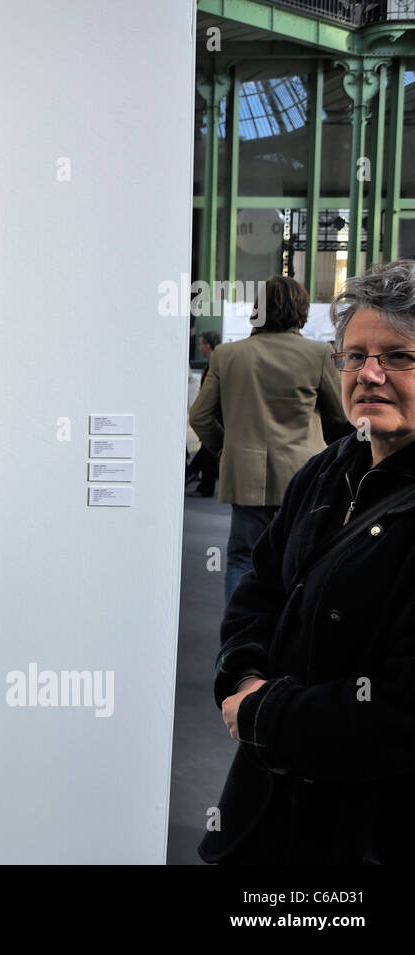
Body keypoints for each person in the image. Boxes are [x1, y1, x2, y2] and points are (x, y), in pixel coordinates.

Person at [199, 259, 415, 864]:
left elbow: (402, 710)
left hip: (371, 833)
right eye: (354, 355)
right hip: (267, 814)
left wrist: (267, 713)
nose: (369, 374)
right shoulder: (328, 469)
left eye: (397, 356)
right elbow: (261, 594)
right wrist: (243, 677)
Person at [188, 275, 349, 602]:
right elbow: (340, 415)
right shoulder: (319, 353)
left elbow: (200, 417)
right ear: (302, 310)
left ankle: (237, 642)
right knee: (300, 559)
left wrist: (225, 450)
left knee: (241, 559)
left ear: (258, 308)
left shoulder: (226, 355)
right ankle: (289, 641)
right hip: (303, 476)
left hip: (246, 475)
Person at [185, 331, 222, 497]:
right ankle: (195, 478)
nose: (199, 347)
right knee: (208, 451)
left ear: (208, 345)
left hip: (214, 414)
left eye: (200, 344)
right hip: (214, 414)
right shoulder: (214, 362)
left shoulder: (215, 364)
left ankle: (194, 477)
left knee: (209, 449)